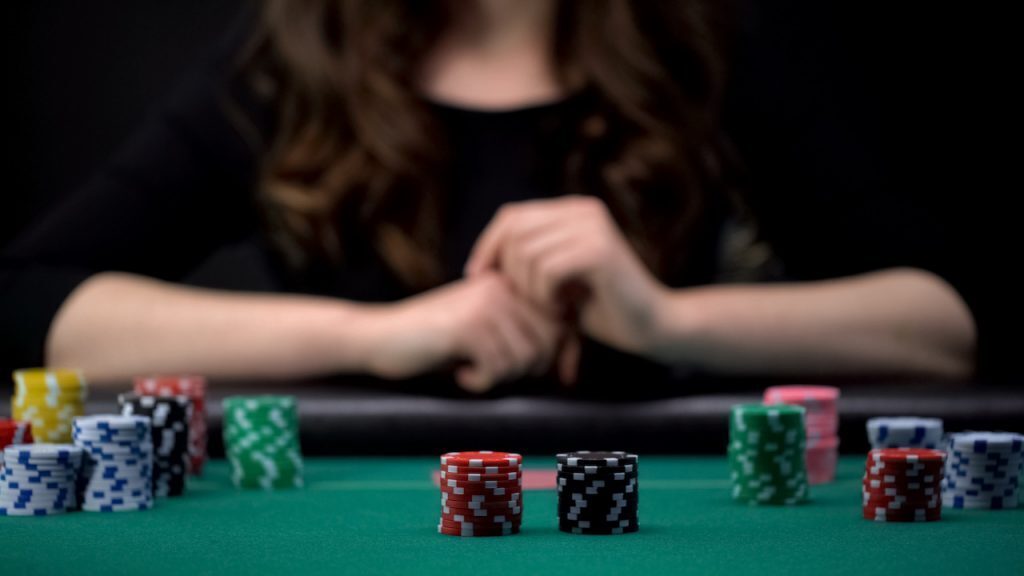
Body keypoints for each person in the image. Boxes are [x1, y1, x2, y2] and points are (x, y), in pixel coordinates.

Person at [0, 0, 978, 392]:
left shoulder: (710, 47)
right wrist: (370, 337)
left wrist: (670, 318)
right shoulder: (288, 64)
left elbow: (947, 323)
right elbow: (30, 301)